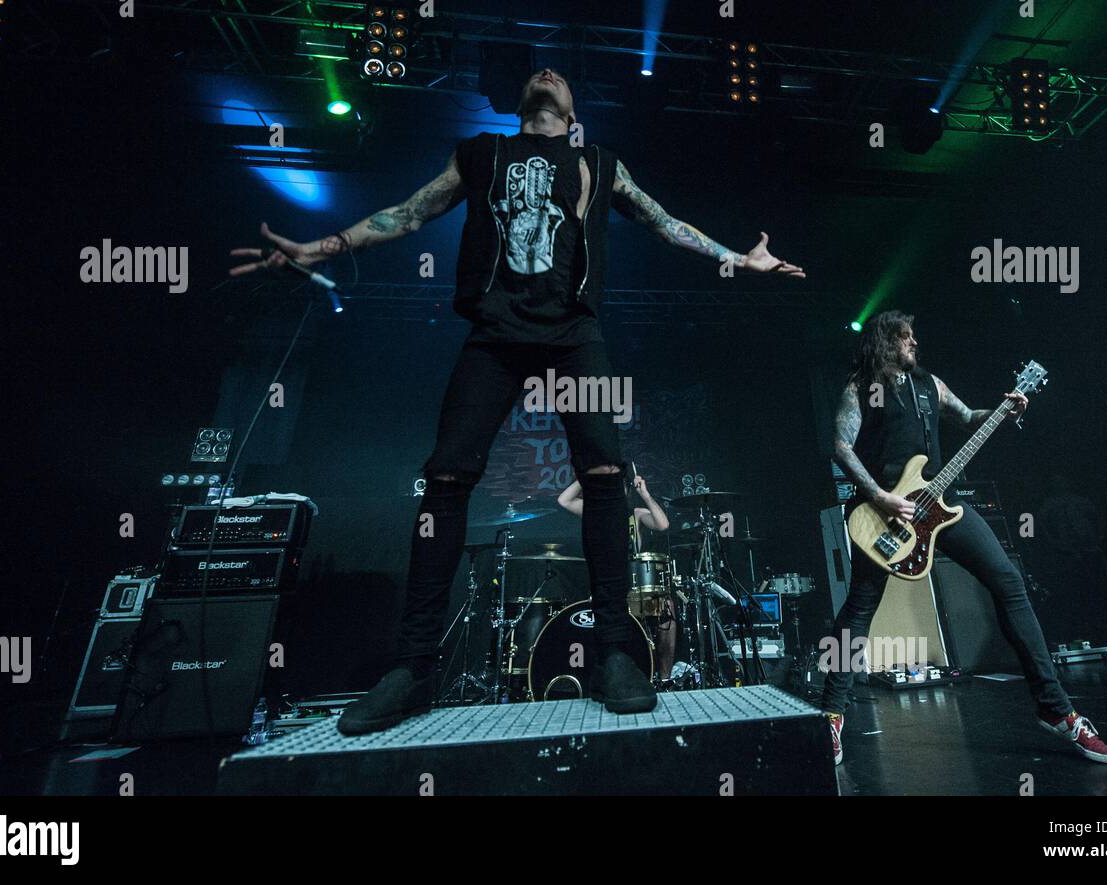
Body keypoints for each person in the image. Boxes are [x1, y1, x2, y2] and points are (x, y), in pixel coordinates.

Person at [231, 68, 804, 733]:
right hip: (495, 333)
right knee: (445, 476)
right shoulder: (480, 153)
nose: (548, 72)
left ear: (572, 108)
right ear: (525, 103)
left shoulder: (598, 162)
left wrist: (740, 257)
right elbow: (408, 212)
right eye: (538, 72)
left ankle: (616, 653)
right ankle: (413, 667)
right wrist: (320, 244)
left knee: (606, 473)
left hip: (573, 332)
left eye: (560, 75)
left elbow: (666, 223)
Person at [781, 310, 1107, 766]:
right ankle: (832, 713)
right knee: (860, 608)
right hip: (886, 516)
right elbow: (841, 446)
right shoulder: (860, 388)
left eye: (914, 336)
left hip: (942, 505)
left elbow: (968, 417)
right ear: (885, 342)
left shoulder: (931, 386)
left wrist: (1005, 409)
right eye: (905, 338)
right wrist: (881, 497)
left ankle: (1056, 710)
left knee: (1009, 581)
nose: (914, 343)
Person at [558, 474, 677, 679]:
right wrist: (585, 476)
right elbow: (564, 500)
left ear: (626, 490)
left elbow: (663, 524)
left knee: (667, 608)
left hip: (635, 589)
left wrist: (645, 495)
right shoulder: (593, 511)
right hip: (607, 588)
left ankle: (665, 677)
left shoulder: (636, 514)